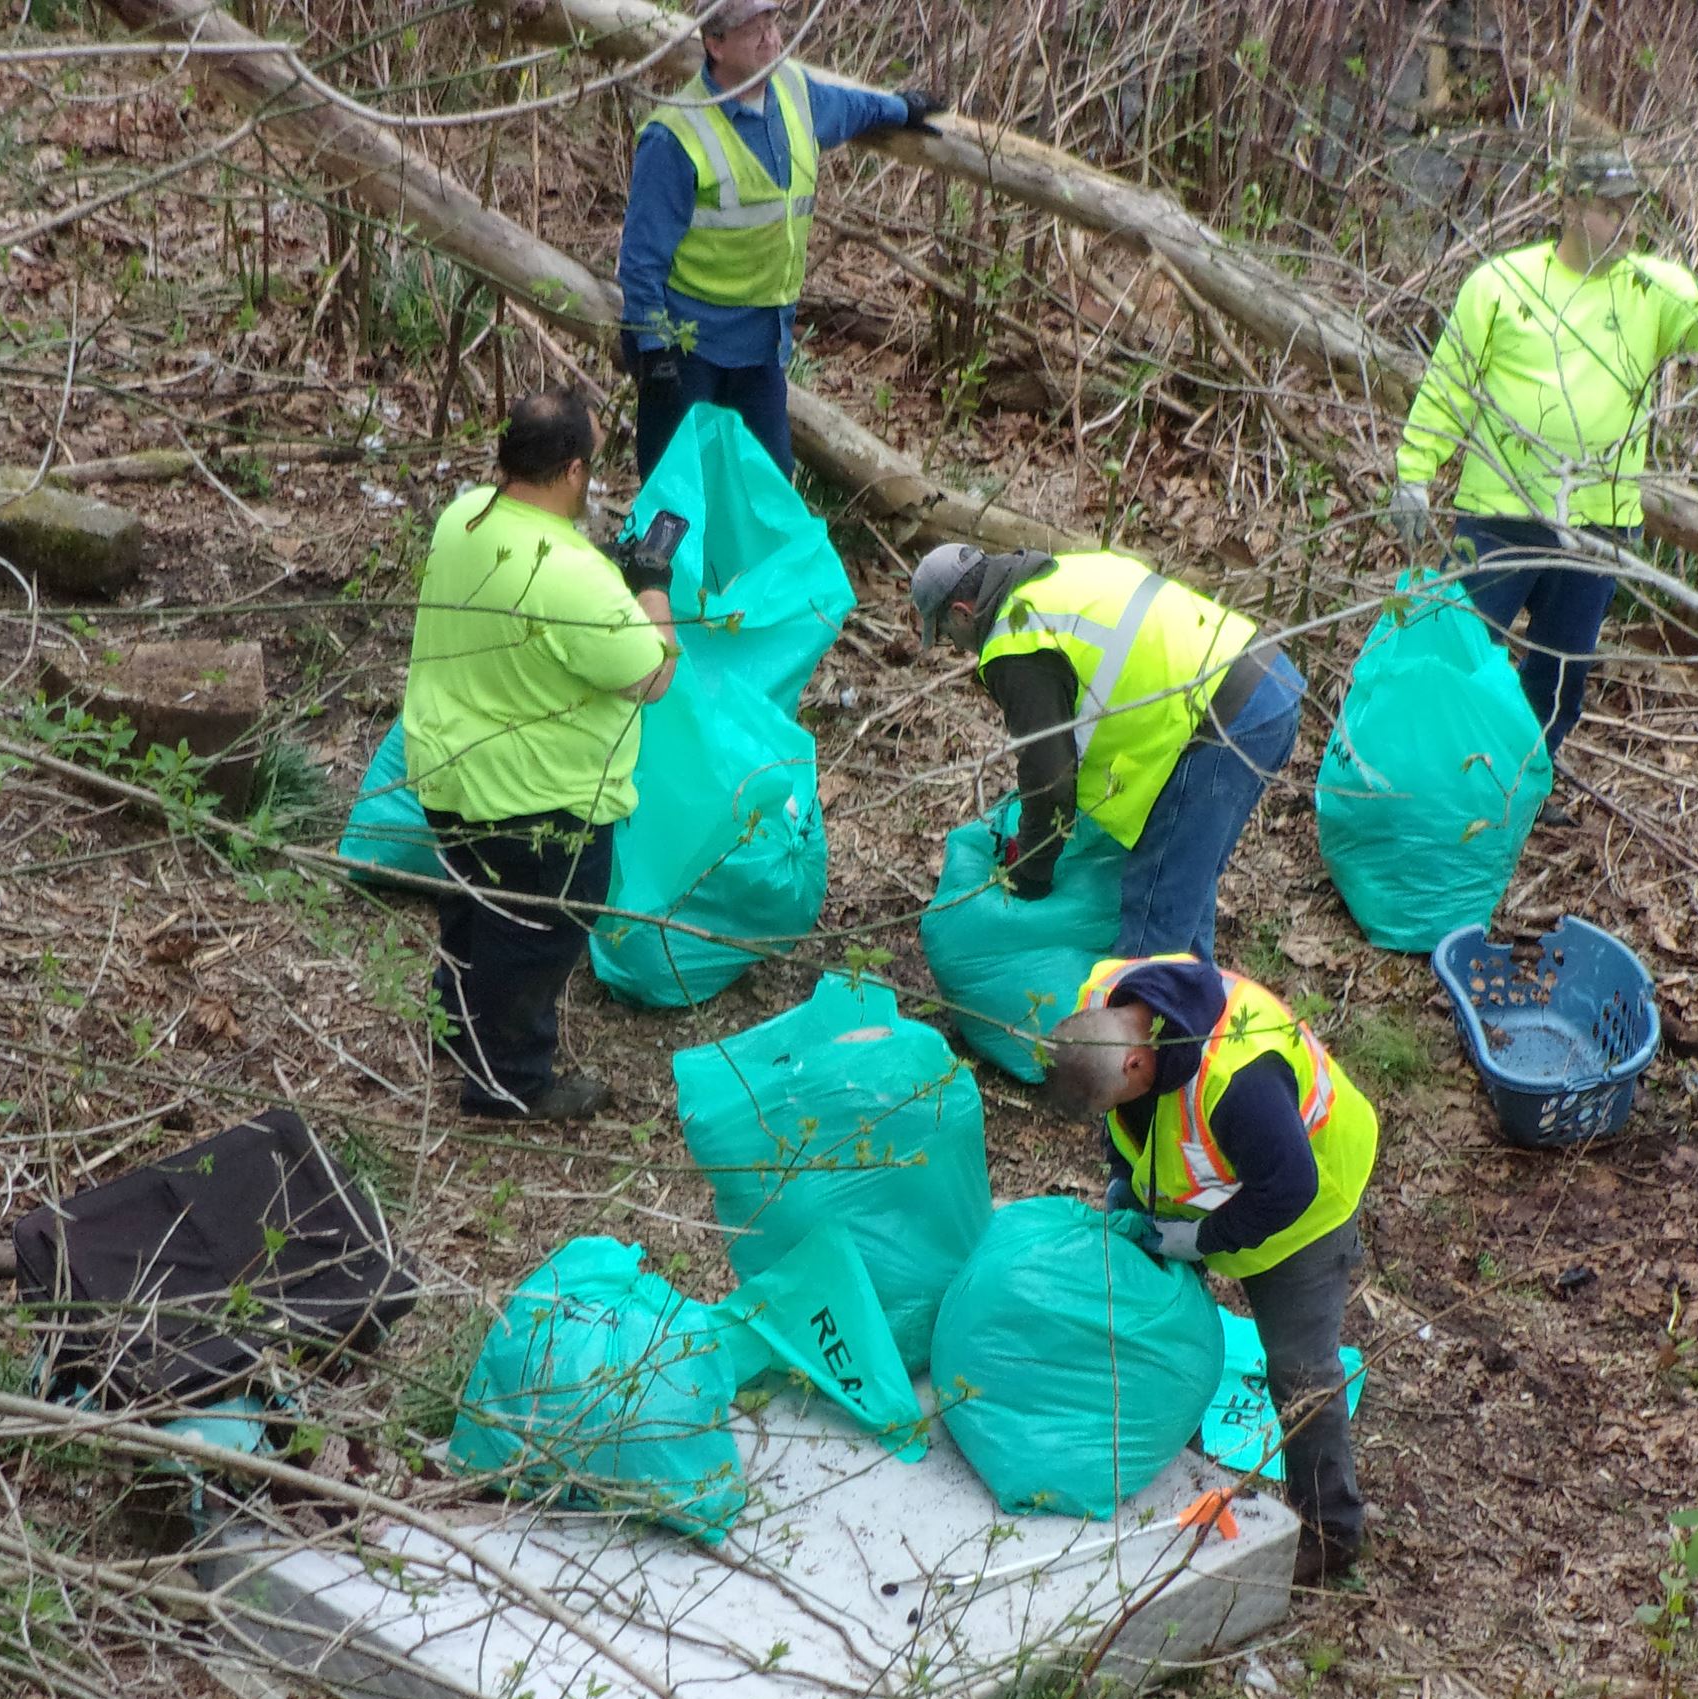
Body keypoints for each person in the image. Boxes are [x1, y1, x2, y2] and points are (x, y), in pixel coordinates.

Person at [1390, 147, 1698, 797]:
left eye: (1629, 210)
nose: (1623, 224)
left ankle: (1513, 792)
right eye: (1608, 209)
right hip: (1501, 513)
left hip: (1598, 527)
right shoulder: (1502, 284)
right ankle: (1423, 782)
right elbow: (1449, 386)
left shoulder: (1646, 287)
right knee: (1456, 653)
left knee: (1558, 677)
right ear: (1569, 207)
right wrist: (1414, 472)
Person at [1047, 953, 1380, 1587]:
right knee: (1159, 1317)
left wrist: (1201, 1239)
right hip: (1224, 1178)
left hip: (1308, 1208)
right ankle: (1175, 1448)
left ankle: (1331, 1533)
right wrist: (1127, 1182)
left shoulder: (1238, 1079)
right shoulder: (1105, 1002)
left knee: (1300, 1371)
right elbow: (1126, 1117)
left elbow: (1288, 1190)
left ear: (1138, 1062)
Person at [399, 391, 681, 1121]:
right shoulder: (575, 575)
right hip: (541, 801)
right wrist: (651, 588)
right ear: (574, 470)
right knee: (534, 939)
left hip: (447, 771)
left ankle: (455, 1025)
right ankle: (510, 1083)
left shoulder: (464, 517)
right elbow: (651, 675)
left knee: (471, 904)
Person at [908, 545, 1303, 962]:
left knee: (1159, 895)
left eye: (950, 638)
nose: (958, 650)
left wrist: (1030, 875)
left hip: (1223, 720)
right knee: (1186, 879)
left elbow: (1050, 781)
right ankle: (1193, 1003)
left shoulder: (1016, 644)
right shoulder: (1057, 574)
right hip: (1265, 680)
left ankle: (1152, 1020)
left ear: (962, 613)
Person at [618, 0, 946, 482]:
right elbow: (642, 258)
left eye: (774, 24)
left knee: (769, 491)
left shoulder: (792, 91)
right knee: (678, 495)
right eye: (754, 30)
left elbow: (848, 107)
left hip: (762, 343)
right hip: (689, 347)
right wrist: (654, 348)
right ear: (715, 45)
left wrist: (901, 108)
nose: (772, 39)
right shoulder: (675, 136)